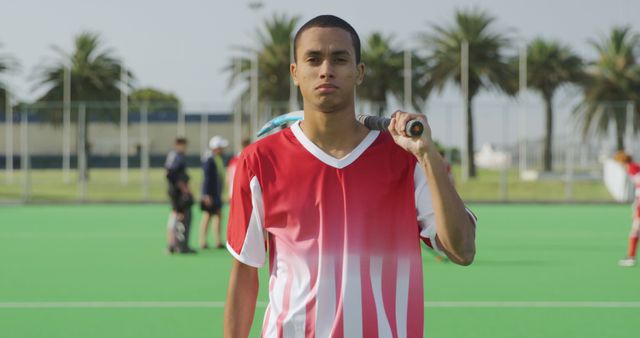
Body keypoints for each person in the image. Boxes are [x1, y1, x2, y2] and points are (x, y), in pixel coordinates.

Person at [224, 15, 476, 337]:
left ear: (359, 72)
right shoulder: (259, 161)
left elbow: (462, 249)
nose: (326, 69)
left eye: (340, 59)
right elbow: (245, 274)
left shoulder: (406, 158)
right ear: (295, 73)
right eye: (313, 59)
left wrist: (428, 155)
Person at [165, 137, 196, 254]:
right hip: (176, 192)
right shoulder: (175, 156)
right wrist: (183, 188)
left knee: (177, 215)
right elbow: (171, 174)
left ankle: (176, 244)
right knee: (177, 215)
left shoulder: (178, 156)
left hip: (177, 190)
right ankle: (173, 244)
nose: (184, 148)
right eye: (182, 145)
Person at [198, 136, 228, 249]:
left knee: (218, 215)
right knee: (207, 216)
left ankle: (218, 240)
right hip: (210, 194)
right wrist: (206, 195)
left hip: (216, 194)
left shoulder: (217, 159)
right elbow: (207, 179)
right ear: (216, 148)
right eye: (221, 147)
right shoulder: (209, 160)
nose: (223, 149)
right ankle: (203, 241)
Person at [614, 151, 640, 267]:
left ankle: (631, 258)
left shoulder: (632, 168)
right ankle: (630, 257)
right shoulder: (633, 167)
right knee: (635, 229)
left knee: (635, 229)